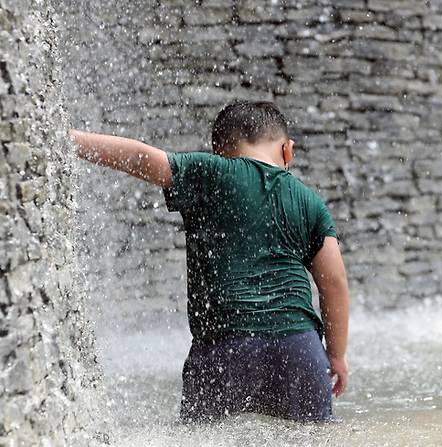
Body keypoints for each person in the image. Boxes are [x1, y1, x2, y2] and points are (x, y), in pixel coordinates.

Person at [69, 100, 349, 423]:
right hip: (300, 349)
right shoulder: (310, 201)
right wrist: (336, 355)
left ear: (218, 150)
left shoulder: (211, 171)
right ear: (288, 151)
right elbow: (334, 282)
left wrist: (68, 141)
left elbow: (138, 157)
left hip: (225, 349)